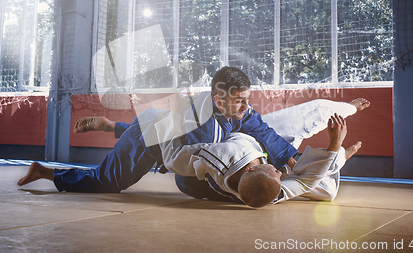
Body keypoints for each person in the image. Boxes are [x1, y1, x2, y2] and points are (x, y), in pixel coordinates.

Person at [17, 67, 305, 192]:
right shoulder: (200, 125)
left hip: (159, 124)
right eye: (240, 100)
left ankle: (110, 126)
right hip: (146, 138)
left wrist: (289, 156)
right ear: (219, 100)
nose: (247, 106)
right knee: (106, 182)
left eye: (247, 98)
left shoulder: (237, 109)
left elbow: (263, 130)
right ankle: (44, 172)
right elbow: (170, 157)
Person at [161, 113, 361, 208]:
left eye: (274, 172)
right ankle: (339, 158)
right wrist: (335, 147)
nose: (279, 173)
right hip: (224, 171)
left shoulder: (223, 155)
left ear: (250, 170)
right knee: (327, 191)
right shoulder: (271, 193)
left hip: (192, 180)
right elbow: (307, 181)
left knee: (183, 177)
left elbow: (174, 159)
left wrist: (167, 132)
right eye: (279, 175)